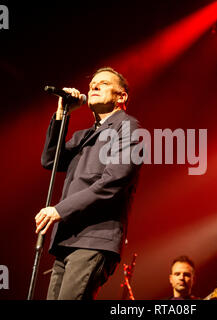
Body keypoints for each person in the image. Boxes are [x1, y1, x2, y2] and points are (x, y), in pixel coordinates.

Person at [35, 67, 142, 300]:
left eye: (102, 84)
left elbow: (113, 182)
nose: (93, 86)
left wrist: (59, 210)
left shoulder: (129, 128)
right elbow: (51, 160)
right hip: (67, 238)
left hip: (95, 239)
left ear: (121, 96)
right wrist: (62, 113)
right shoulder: (83, 135)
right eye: (92, 83)